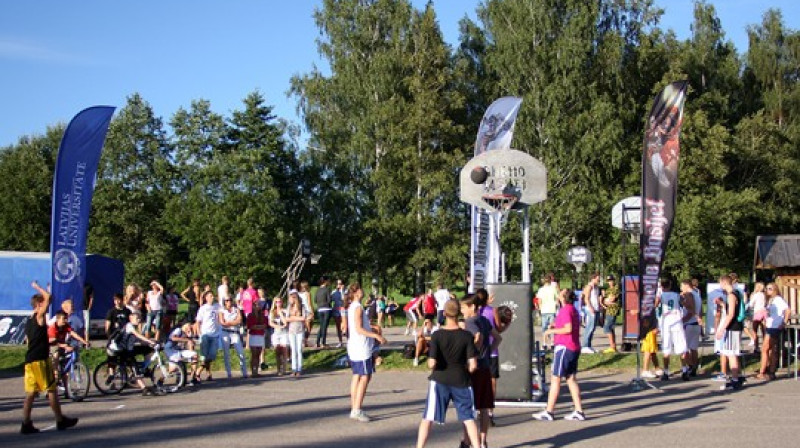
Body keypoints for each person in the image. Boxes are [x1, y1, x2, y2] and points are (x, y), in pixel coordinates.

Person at [416, 300, 480, 448]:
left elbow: (431, 363)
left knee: (428, 417)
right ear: (458, 314)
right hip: (461, 379)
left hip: (440, 379)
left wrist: (434, 364)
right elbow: (473, 365)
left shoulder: (437, 335)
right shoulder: (466, 336)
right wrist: (467, 370)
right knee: (468, 417)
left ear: (444, 314)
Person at [21, 281, 78, 434]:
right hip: (40, 360)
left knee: (31, 393)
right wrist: (37, 287)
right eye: (43, 303)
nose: (46, 306)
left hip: (30, 361)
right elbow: (48, 297)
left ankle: (25, 423)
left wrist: (46, 292)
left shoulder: (29, 321)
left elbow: (28, 341)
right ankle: (60, 420)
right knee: (51, 390)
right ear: (38, 305)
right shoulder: (39, 316)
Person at [533, 289, 585, 421]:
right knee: (571, 379)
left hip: (565, 347)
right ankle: (579, 411)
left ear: (563, 298)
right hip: (573, 347)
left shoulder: (566, 310)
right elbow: (569, 324)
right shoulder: (572, 309)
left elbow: (568, 328)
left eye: (560, 293)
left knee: (556, 378)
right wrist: (555, 324)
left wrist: (551, 330)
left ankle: (549, 411)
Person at [460, 295, 501, 448]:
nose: (462, 311)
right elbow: (498, 338)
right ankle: (483, 441)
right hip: (485, 365)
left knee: (468, 407)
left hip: (473, 368)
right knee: (483, 407)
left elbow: (477, 338)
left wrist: (474, 352)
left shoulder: (470, 322)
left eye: (464, 307)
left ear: (472, 307)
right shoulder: (484, 320)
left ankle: (468, 441)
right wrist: (489, 351)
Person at [346, 282, 386, 422]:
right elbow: (358, 329)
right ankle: (357, 409)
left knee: (357, 376)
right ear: (356, 292)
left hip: (356, 346)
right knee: (365, 376)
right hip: (361, 347)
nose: (363, 290)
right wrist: (376, 336)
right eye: (360, 289)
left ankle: (354, 407)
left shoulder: (353, 307)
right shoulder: (357, 308)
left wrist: (371, 327)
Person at [121, 311, 160, 396]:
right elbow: (138, 336)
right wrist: (149, 340)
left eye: (139, 318)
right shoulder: (129, 326)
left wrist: (150, 342)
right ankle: (144, 389)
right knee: (135, 368)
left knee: (148, 350)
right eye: (137, 318)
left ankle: (144, 367)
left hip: (131, 348)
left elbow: (138, 340)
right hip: (126, 350)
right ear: (131, 319)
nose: (139, 320)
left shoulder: (133, 327)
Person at [716, 275, 744, 390]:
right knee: (731, 353)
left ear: (724, 283)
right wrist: (723, 304)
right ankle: (737, 377)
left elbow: (731, 314)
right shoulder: (736, 293)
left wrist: (722, 328)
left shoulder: (731, 295)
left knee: (731, 354)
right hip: (734, 327)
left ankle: (735, 379)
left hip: (732, 327)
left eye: (720, 283)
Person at [657, 278, 687, 381]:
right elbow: (684, 303)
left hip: (666, 323)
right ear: (670, 285)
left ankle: (665, 372)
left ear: (661, 286)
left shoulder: (660, 296)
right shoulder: (676, 295)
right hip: (677, 322)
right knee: (681, 348)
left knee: (666, 349)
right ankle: (684, 370)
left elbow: (654, 305)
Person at [758, 282, 790, 380]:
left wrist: (784, 322)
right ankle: (764, 370)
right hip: (769, 325)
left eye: (770, 289)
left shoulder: (779, 299)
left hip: (775, 326)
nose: (767, 290)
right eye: (767, 288)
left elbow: (787, 310)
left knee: (768, 348)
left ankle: (769, 371)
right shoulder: (770, 300)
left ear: (775, 289)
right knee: (767, 349)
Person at [48, 310, 89, 385]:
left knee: (66, 367)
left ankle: (67, 390)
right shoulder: (52, 328)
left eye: (66, 318)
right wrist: (63, 346)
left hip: (63, 346)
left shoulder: (66, 326)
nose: (66, 320)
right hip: (52, 347)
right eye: (64, 319)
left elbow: (73, 333)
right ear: (58, 319)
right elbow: (51, 341)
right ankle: (55, 372)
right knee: (56, 354)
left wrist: (84, 341)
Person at [195, 291, 221, 382]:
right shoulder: (203, 308)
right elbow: (198, 321)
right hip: (205, 334)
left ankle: (203, 372)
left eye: (213, 296)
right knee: (204, 356)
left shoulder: (217, 307)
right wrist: (199, 334)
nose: (212, 297)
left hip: (215, 335)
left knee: (211, 355)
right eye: (210, 296)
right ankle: (200, 373)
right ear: (206, 298)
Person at [219, 297, 248, 379]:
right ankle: (228, 373)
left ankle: (244, 372)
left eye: (230, 300)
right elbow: (222, 322)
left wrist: (230, 322)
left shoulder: (236, 309)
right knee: (226, 353)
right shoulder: (222, 311)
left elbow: (239, 320)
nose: (229, 302)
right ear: (224, 302)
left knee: (241, 352)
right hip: (225, 332)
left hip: (234, 332)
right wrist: (233, 322)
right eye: (227, 300)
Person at [680, 279, 702, 379]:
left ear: (686, 285)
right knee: (694, 348)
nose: (681, 288)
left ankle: (689, 367)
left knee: (684, 348)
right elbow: (700, 310)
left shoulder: (689, 294)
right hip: (696, 324)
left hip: (689, 324)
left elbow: (690, 310)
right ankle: (694, 368)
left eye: (682, 286)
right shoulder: (697, 294)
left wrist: (682, 321)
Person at [286, 290, 307, 376]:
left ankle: (299, 368)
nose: (293, 299)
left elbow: (303, 318)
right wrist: (296, 317)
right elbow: (287, 319)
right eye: (291, 297)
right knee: (293, 350)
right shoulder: (289, 307)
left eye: (294, 297)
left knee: (299, 349)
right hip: (291, 330)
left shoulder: (302, 307)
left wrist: (293, 317)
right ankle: (294, 368)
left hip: (299, 330)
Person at [580, 273, 601, 354]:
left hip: (596, 309)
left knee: (593, 328)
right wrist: (590, 307)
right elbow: (586, 298)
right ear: (593, 278)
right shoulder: (589, 286)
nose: (598, 280)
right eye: (597, 279)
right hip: (590, 309)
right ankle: (585, 346)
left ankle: (589, 345)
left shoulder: (596, 287)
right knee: (589, 327)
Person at [537, 275, 559, 349]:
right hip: (552, 309)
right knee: (552, 327)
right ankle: (552, 342)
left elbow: (539, 300)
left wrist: (540, 309)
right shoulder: (553, 289)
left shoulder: (541, 290)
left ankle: (544, 343)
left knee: (544, 328)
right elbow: (557, 298)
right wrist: (556, 305)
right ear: (550, 281)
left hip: (544, 310)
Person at [247, 300, 268, 377]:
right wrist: (259, 327)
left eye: (258, 305)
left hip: (260, 335)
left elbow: (264, 326)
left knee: (258, 354)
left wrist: (257, 327)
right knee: (254, 354)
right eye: (255, 305)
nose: (257, 306)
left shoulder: (263, 316)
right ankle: (253, 371)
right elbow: (251, 326)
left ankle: (256, 370)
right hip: (253, 336)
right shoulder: (250, 315)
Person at [269, 297, 289, 375]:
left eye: (280, 302)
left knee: (284, 350)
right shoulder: (272, 312)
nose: (278, 303)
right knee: (277, 351)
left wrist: (281, 314)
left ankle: (284, 369)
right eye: (277, 302)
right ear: (274, 303)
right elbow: (270, 323)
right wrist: (278, 327)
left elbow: (285, 322)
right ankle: (278, 369)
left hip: (284, 333)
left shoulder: (285, 311)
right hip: (276, 333)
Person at [600, 275, 620, 353]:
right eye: (608, 281)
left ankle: (612, 346)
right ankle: (613, 346)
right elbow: (604, 300)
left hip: (613, 310)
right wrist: (606, 300)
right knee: (610, 328)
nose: (610, 282)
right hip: (608, 310)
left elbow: (612, 298)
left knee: (607, 327)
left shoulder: (616, 288)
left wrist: (607, 300)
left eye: (611, 280)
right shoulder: (608, 289)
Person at [747, 282, 767, 352]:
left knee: (754, 330)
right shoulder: (764, 295)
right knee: (764, 330)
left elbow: (751, 304)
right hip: (764, 312)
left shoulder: (756, 295)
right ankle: (765, 345)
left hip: (757, 312)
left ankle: (756, 346)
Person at [315, 276, 333, 348]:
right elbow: (329, 300)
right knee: (325, 326)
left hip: (320, 309)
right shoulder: (327, 289)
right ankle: (323, 342)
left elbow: (315, 300)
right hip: (326, 309)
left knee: (322, 326)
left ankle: (317, 342)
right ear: (325, 281)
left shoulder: (318, 290)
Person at [331, 279, 347, 347]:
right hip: (336, 309)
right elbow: (331, 299)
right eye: (338, 284)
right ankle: (340, 341)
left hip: (343, 309)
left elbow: (344, 299)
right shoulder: (334, 291)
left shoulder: (346, 291)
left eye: (340, 284)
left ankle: (348, 339)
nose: (339, 285)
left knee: (345, 325)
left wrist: (342, 291)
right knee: (338, 326)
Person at [298, 280, 314, 347]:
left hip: (301, 311)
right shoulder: (307, 293)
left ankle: (304, 340)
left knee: (303, 326)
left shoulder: (298, 294)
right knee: (309, 327)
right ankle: (305, 340)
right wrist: (312, 312)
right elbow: (309, 303)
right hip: (307, 310)